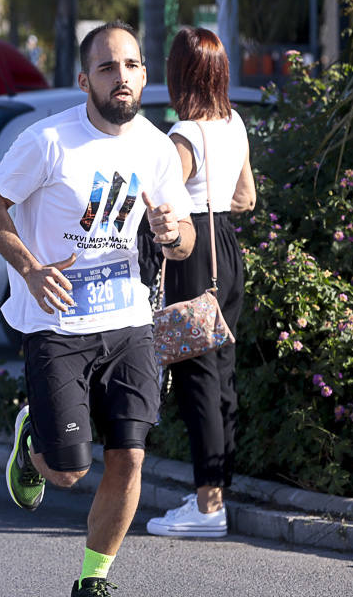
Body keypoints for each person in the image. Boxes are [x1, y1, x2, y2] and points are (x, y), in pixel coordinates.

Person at [0, 21, 196, 597]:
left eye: (130, 66)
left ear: (144, 75)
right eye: (106, 67)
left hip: (130, 322)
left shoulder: (156, 146)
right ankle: (33, 443)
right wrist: (29, 268)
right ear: (84, 80)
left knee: (129, 455)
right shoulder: (47, 141)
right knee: (68, 471)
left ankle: (93, 579)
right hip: (57, 321)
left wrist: (173, 234)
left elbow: (186, 238)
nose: (120, 78)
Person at [143, 27, 256, 539]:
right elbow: (246, 198)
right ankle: (215, 493)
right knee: (221, 371)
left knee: (197, 378)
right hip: (228, 248)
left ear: (179, 74)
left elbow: (162, 203)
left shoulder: (183, 134)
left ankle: (208, 508)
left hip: (193, 252)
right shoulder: (234, 123)